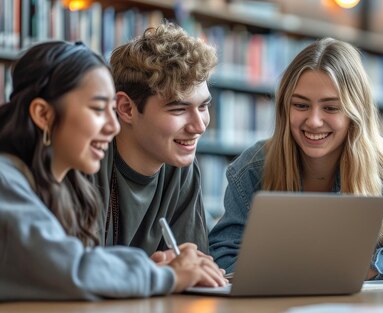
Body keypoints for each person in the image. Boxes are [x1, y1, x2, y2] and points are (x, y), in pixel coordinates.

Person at [208, 38, 383, 280]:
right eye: (301, 106)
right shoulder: (253, 168)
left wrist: (366, 267)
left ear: (355, 113)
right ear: (285, 108)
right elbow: (223, 257)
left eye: (331, 108)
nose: (314, 121)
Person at [0, 41, 226, 301]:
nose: (113, 126)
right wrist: (166, 274)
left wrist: (165, 269)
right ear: (43, 114)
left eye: (110, 110)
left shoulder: (49, 178)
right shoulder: (8, 178)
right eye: (98, 109)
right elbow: (72, 270)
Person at [92, 22, 217, 256]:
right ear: (126, 108)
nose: (199, 126)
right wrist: (157, 272)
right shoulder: (88, 161)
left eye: (204, 106)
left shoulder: (181, 166)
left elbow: (191, 265)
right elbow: (76, 272)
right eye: (179, 109)